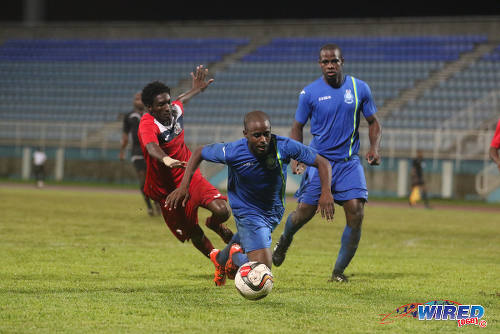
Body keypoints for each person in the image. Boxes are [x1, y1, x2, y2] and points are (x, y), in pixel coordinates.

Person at [165, 110, 335, 286]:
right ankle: (236, 258)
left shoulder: (283, 146)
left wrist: (326, 192)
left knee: (246, 241)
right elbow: (199, 152)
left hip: (273, 211)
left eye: (266, 134)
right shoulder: (232, 151)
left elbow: (322, 163)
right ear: (245, 134)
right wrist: (184, 186)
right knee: (262, 267)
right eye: (257, 135)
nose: (263, 140)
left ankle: (221, 259)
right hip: (247, 211)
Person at [272, 43, 382, 283]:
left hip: (349, 162)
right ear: (319, 64)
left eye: (334, 61)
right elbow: (297, 127)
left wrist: (374, 148)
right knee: (303, 214)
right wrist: (298, 156)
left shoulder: (359, 88)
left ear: (342, 62)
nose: (330, 65)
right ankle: (285, 239)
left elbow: (374, 122)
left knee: (356, 211)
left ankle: (338, 272)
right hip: (319, 161)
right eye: (325, 62)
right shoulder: (309, 93)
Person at [137, 65, 234, 261]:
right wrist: (166, 159)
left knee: (222, 211)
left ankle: (215, 224)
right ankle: (218, 261)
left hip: (189, 176)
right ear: (149, 108)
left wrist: (197, 89)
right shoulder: (147, 123)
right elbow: (150, 147)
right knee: (192, 232)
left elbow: (183, 99)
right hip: (166, 190)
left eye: (167, 102)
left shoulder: (175, 109)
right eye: (160, 105)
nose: (167, 107)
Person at [120, 91, 160, 216]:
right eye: (136, 98)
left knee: (154, 179)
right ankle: (149, 206)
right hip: (137, 151)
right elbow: (125, 136)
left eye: (140, 98)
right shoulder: (129, 116)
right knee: (143, 181)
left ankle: (157, 202)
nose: (138, 101)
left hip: (151, 150)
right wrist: (122, 151)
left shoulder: (152, 114)